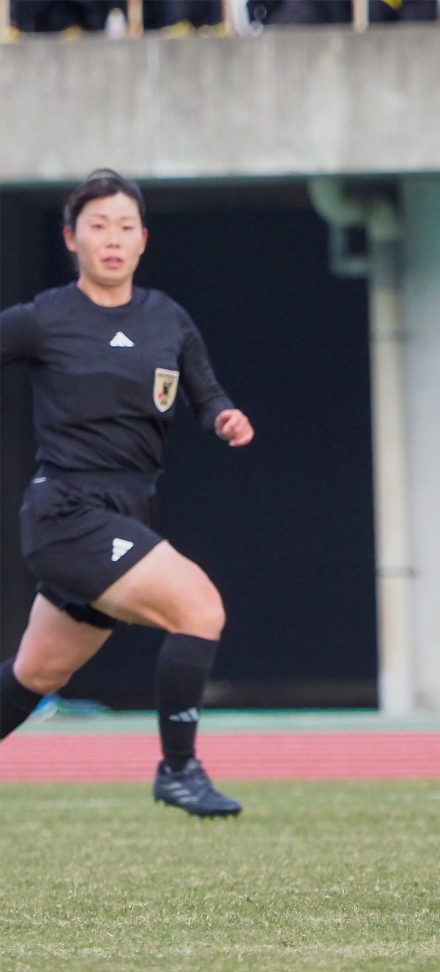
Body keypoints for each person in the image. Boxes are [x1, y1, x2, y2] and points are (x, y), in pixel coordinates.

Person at [0, 169, 254, 817]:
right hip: (68, 511)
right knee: (199, 606)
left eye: (124, 227)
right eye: (97, 227)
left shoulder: (166, 316)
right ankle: (178, 768)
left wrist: (225, 418)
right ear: (71, 238)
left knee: (40, 675)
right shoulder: (45, 318)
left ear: (143, 240)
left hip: (130, 507)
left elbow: (206, 394)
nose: (112, 239)